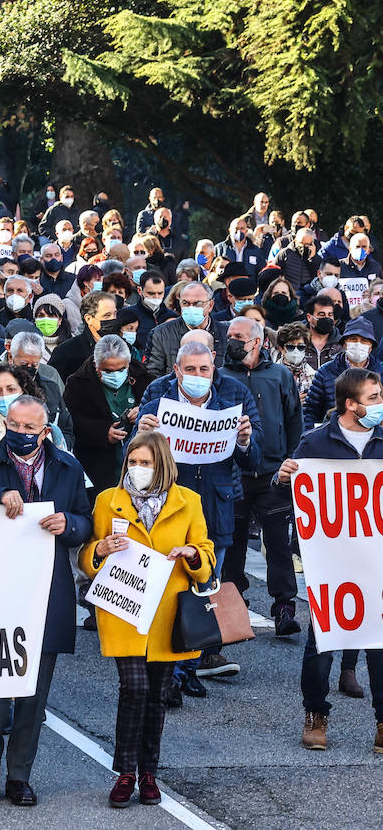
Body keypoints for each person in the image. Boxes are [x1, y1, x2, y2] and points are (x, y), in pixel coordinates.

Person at [0, 395, 93, 807]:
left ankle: (19, 775)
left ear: (45, 431)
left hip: (47, 588)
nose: (20, 432)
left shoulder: (68, 468)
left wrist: (70, 524)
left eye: (29, 428)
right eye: (14, 424)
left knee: (34, 694)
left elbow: (85, 520)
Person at [79, 432, 214, 807]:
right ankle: (125, 772)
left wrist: (191, 553)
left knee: (157, 695)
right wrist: (99, 550)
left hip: (167, 615)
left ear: (163, 466)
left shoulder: (189, 502)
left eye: (146, 463)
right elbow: (88, 557)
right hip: (124, 610)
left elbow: (207, 554)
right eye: (133, 462)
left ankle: (148, 772)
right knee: (134, 688)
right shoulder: (109, 500)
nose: (138, 469)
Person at [135, 340, 259, 698]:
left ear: (213, 369)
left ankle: (187, 670)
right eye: (189, 370)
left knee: (203, 591)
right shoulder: (158, 398)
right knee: (166, 592)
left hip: (214, 509)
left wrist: (245, 441)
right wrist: (140, 430)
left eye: (204, 370)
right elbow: (134, 456)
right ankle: (165, 674)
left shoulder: (233, 395)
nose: (197, 376)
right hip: (166, 510)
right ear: (176, 370)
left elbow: (252, 462)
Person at [276, 367, 383, 753]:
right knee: (322, 638)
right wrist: (283, 476)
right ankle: (315, 713)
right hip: (331, 559)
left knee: (380, 641)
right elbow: (294, 497)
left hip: (377, 559)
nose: (380, 405)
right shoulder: (315, 443)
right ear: (350, 404)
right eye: (373, 399)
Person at [219, 316, 302, 635]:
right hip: (234, 474)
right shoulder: (222, 376)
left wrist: (293, 459)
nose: (232, 341)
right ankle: (233, 603)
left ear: (257, 341)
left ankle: (284, 606)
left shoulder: (280, 375)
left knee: (279, 544)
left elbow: (294, 420)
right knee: (235, 542)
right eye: (229, 336)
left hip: (273, 474)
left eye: (238, 336)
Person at [64, 335, 153, 494]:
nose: (116, 375)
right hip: (98, 465)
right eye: (108, 371)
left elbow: (159, 411)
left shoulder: (145, 379)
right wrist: (101, 432)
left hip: (141, 462)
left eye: (121, 369)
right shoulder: (77, 384)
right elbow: (71, 422)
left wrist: (144, 410)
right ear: (96, 365)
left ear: (128, 364)